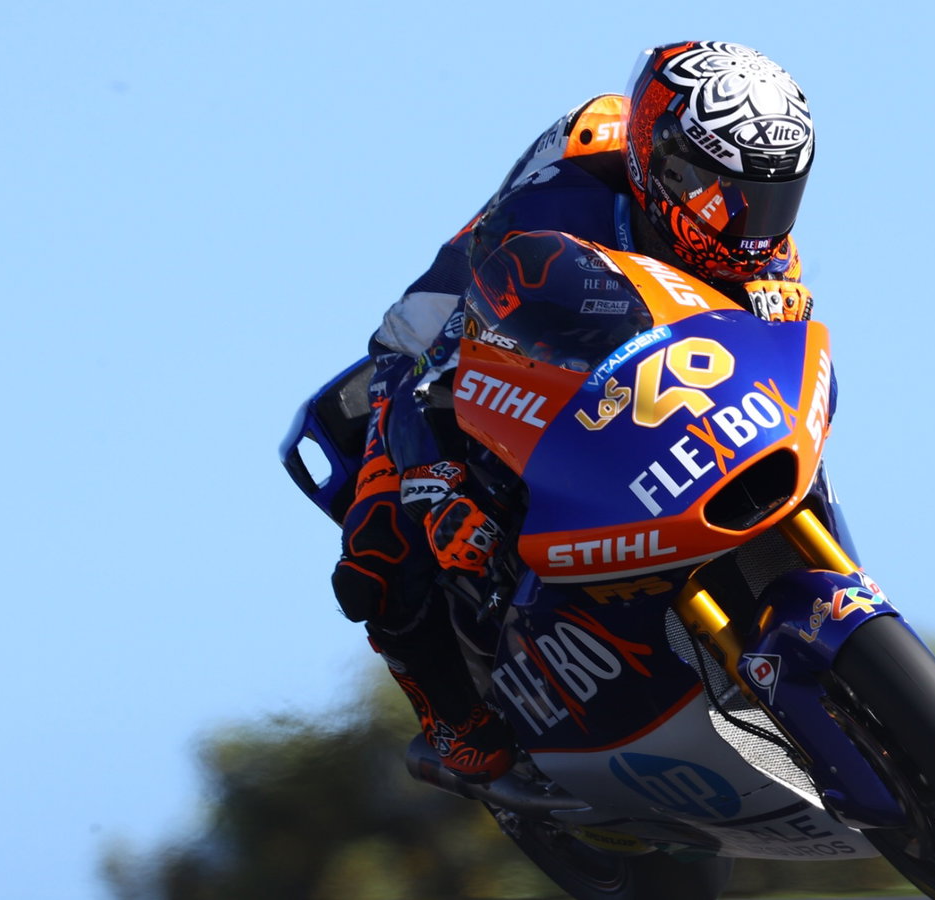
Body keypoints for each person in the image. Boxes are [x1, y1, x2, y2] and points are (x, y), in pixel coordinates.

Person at [328, 40, 818, 783]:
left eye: (774, 199)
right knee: (378, 545)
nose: (750, 225)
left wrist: (781, 305)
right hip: (454, 329)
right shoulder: (558, 205)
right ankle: (454, 724)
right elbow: (431, 374)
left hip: (643, 350)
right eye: (726, 195)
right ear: (669, 167)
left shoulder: (747, 236)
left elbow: (776, 310)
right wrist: (433, 481)